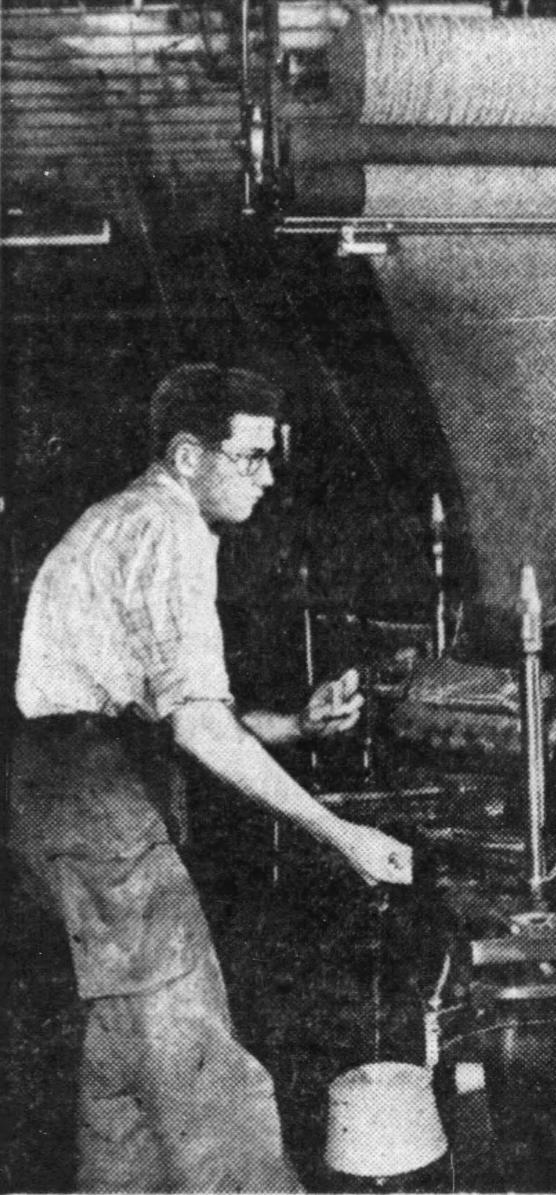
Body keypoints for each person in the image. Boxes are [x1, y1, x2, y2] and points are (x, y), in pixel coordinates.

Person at [8, 362, 413, 1192]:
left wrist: (297, 724)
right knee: (210, 1080)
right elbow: (194, 725)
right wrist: (343, 832)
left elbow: (162, 715)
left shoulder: (120, 520)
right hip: (96, 806)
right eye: (251, 457)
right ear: (190, 456)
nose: (267, 478)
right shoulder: (172, 528)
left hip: (58, 800)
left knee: (126, 1074)